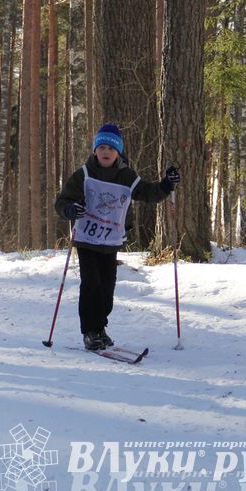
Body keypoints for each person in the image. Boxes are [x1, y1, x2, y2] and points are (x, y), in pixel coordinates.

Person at [54, 123, 181, 351]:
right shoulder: (84, 174)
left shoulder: (126, 176)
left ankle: (100, 328)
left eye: (111, 149)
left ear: (118, 153)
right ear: (95, 150)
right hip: (87, 240)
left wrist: (166, 184)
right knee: (91, 284)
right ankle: (90, 332)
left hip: (110, 241)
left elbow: (148, 193)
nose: (106, 152)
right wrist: (71, 209)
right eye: (102, 147)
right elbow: (62, 202)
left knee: (106, 290)